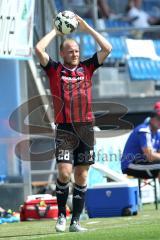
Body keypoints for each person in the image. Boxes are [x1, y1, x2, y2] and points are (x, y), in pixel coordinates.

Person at [35, 15, 112, 232]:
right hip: (65, 129)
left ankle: (75, 221)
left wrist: (86, 27)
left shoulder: (87, 68)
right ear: (62, 53)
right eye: (70, 51)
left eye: (77, 51)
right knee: (64, 172)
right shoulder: (54, 69)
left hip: (86, 128)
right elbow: (39, 50)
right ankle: (61, 215)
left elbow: (107, 48)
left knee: (82, 175)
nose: (75, 54)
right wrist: (56, 32)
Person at [121, 101, 160, 179]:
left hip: (144, 164)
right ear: (152, 118)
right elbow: (150, 156)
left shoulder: (158, 132)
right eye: (159, 118)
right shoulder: (144, 130)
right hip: (130, 165)